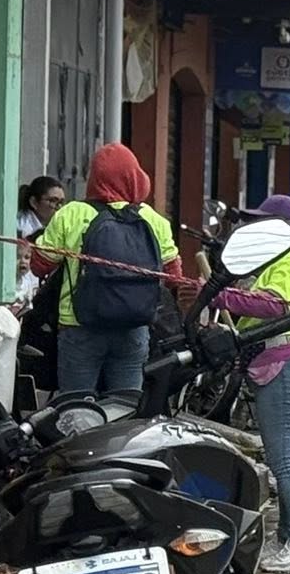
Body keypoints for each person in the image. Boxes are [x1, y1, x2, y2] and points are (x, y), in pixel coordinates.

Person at [214, 196, 290, 574]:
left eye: (262, 223)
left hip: (289, 365)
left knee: (285, 462)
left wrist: (220, 293)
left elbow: (271, 306)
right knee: (285, 460)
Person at [31, 143, 183, 397]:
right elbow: (174, 276)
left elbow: (40, 266)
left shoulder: (72, 214)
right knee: (125, 406)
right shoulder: (153, 219)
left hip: (79, 326)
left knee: (76, 405)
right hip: (134, 328)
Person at [18, 175, 64, 242]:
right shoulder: (24, 230)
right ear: (34, 202)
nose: (59, 207)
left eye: (61, 202)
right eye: (53, 201)